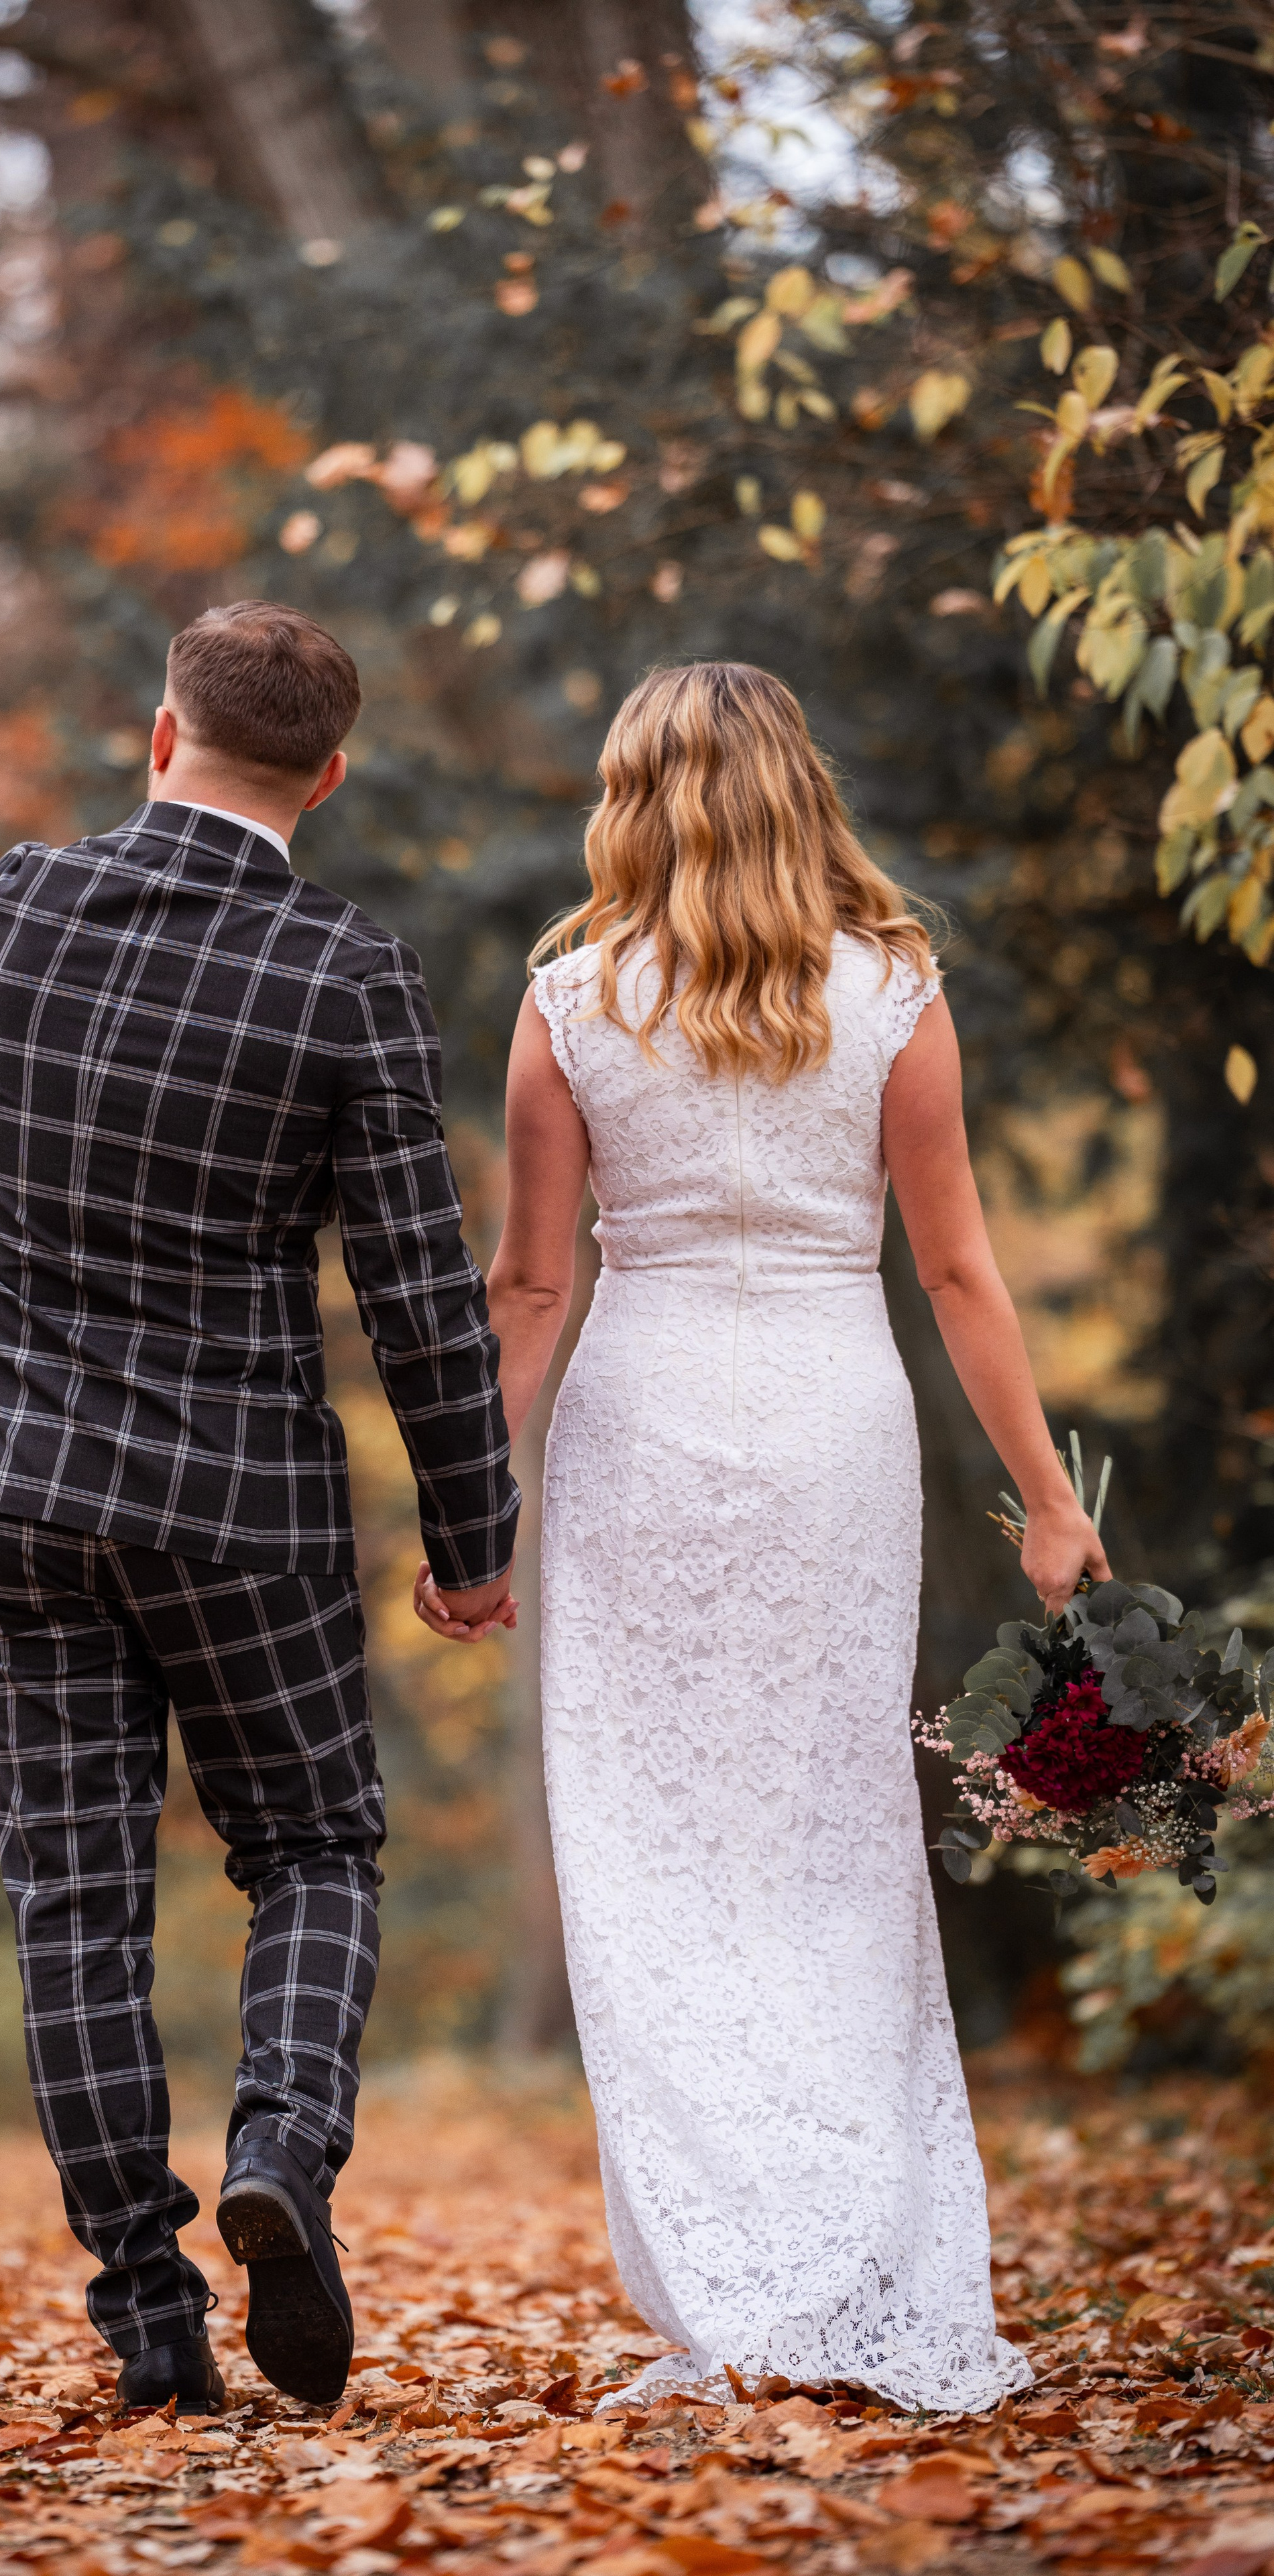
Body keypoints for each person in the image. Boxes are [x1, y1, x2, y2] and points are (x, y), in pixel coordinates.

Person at [0, 601, 519, 2416]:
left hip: (12, 1481)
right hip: (237, 1506)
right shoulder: (344, 974)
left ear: (161, 739)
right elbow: (420, 1293)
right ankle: (282, 2150)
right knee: (312, 1847)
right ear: (332, 775)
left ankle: (150, 2322)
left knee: (75, 1904)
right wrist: (474, 1538)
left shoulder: (13, 908)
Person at [429, 659, 1107, 2413]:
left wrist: (465, 1510)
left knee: (657, 1845)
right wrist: (1046, 1496)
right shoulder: (894, 992)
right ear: (802, 786)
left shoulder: (571, 1004)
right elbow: (959, 1271)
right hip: (830, 1422)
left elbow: (530, 1282)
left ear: (628, 801)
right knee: (828, 1824)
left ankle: (739, 2273)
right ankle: (844, 2253)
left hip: (642, 1426)